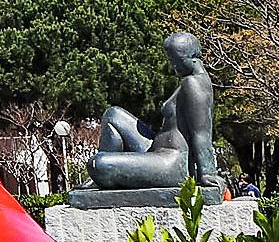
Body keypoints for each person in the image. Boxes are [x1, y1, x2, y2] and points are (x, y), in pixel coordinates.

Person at [88, 31, 221, 193]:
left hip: (171, 162)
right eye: (170, 60)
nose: (173, 65)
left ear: (193, 56)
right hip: (156, 150)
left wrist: (207, 172)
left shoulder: (194, 83)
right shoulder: (187, 81)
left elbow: (201, 132)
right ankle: (96, 179)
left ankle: (99, 176)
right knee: (113, 115)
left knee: (99, 163)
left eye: (176, 60)